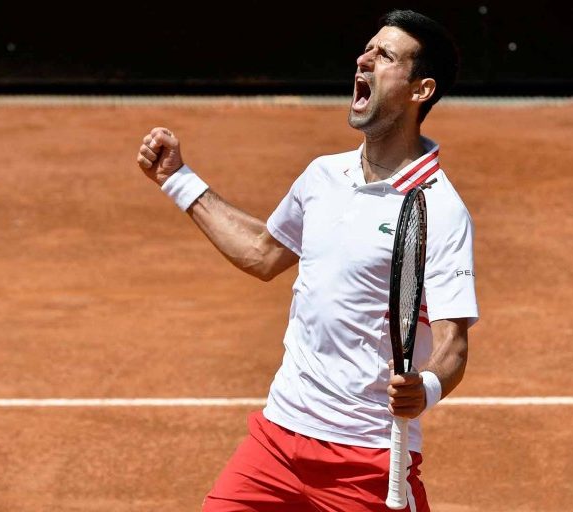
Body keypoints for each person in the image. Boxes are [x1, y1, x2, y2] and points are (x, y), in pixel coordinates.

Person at [136, 9, 477, 512]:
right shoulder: (323, 176)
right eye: (367, 48)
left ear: (420, 90)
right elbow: (262, 253)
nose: (363, 59)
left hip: (365, 458)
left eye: (384, 55)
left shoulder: (439, 209)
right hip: (277, 438)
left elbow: (452, 345)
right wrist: (178, 179)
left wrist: (424, 387)